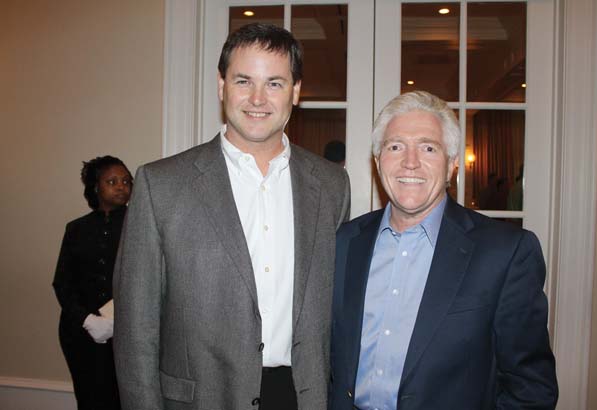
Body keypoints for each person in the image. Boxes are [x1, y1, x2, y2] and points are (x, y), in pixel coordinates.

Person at [113, 23, 350, 410]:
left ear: (295, 91)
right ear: (222, 86)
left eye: (274, 83)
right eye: (244, 81)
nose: (258, 98)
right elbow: (135, 328)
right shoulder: (161, 185)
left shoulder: (332, 185)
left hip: (301, 397)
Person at [330, 91, 558, 410]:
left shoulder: (505, 253)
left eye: (428, 148)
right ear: (378, 161)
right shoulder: (344, 241)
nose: (410, 162)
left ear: (452, 164)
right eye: (395, 146)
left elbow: (530, 388)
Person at [53, 155, 133, 410]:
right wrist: (88, 320)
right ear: (96, 187)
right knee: (89, 400)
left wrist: (115, 320)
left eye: (126, 181)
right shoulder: (76, 229)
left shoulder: (142, 226)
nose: (121, 186)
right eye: (112, 181)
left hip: (127, 331)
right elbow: (62, 282)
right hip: (81, 333)